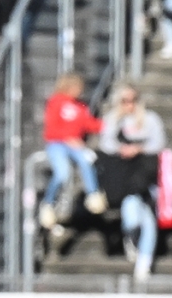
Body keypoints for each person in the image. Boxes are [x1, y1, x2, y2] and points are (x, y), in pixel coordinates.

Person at [99, 84, 165, 281]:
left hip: (146, 175)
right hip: (124, 178)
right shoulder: (112, 119)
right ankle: (133, 240)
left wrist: (138, 149)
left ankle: (144, 263)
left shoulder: (150, 119)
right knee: (133, 217)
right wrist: (122, 149)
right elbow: (105, 144)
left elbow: (159, 143)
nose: (129, 105)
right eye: (124, 101)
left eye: (133, 100)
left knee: (149, 221)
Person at [40, 73, 108, 231]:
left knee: (87, 161)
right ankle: (48, 203)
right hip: (58, 143)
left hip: (76, 145)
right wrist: (67, 138)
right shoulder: (55, 102)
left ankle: (93, 194)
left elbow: (88, 124)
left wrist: (107, 125)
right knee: (63, 173)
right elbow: (51, 128)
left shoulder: (81, 106)